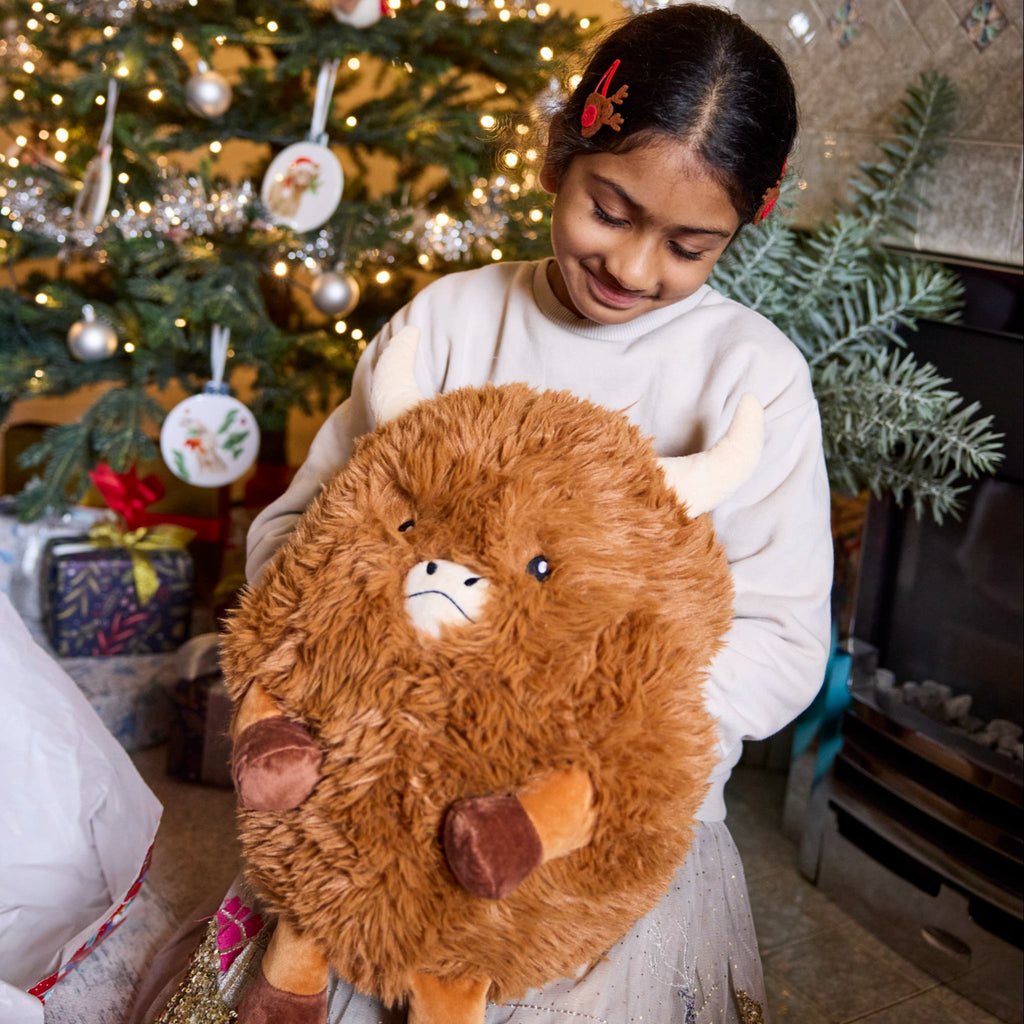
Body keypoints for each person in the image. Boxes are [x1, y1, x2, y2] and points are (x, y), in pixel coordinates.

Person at [137, 5, 831, 1023]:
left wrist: (600, 732)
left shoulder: (753, 379)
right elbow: (304, 534)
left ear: (746, 222)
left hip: (578, 833)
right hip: (379, 803)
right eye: (610, 208)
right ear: (561, 151)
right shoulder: (446, 322)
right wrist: (365, 657)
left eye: (689, 245)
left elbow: (782, 638)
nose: (634, 268)